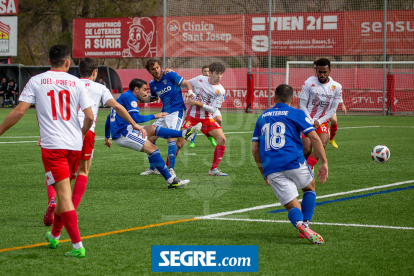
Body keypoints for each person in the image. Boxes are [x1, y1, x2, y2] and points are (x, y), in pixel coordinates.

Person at [0, 45, 95, 258]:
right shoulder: (77, 83)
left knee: (63, 196)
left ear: (49, 60)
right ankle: (54, 236)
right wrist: (80, 134)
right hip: (74, 146)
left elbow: (20, 110)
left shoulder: (36, 81)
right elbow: (89, 117)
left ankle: (77, 246)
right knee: (65, 194)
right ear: (68, 62)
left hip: (53, 147)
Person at [42, 58, 146, 227]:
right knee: (83, 172)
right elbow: (118, 108)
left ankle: (54, 200)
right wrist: (134, 124)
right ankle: (70, 210)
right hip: (86, 132)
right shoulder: (99, 87)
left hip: (63, 132)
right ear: (95, 72)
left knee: (60, 172)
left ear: (78, 70)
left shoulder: (70, 82)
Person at [252, 84, 328, 244]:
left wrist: (263, 172)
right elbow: (314, 138)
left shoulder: (262, 117)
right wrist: (324, 162)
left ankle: (300, 225)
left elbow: (255, 149)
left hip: (272, 168)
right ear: (293, 99)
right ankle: (305, 224)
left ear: (274, 98)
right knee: (310, 187)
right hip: (294, 162)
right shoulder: (296, 113)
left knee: (293, 207)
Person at [105, 78, 201, 188]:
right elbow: (136, 118)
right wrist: (155, 115)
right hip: (123, 134)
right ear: (136, 89)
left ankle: (183, 134)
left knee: (154, 128)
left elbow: (109, 117)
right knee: (153, 149)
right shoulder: (131, 98)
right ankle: (171, 180)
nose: (146, 93)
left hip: (125, 129)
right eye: (144, 90)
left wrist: (107, 136)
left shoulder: (123, 97)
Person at [139, 58, 193, 177]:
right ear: (149, 71)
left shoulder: (170, 75)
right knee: (149, 138)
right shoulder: (152, 84)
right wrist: (141, 99)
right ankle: (153, 168)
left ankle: (171, 169)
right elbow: (153, 98)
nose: (156, 70)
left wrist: (190, 92)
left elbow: (187, 83)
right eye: (153, 69)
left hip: (177, 111)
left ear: (160, 66)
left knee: (170, 137)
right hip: (165, 113)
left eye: (158, 67)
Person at [175, 62, 228, 176]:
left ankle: (213, 169)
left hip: (207, 119)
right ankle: (168, 167)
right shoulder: (200, 79)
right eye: (216, 73)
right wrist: (174, 78)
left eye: (221, 74)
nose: (219, 76)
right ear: (210, 73)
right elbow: (186, 83)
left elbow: (213, 109)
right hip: (192, 117)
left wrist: (198, 103)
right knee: (179, 144)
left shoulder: (221, 90)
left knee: (222, 140)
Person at [300, 58, 342, 170]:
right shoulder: (308, 83)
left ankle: (308, 168)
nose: (322, 74)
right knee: (307, 150)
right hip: (307, 120)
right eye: (320, 72)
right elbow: (302, 105)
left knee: (322, 143)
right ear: (316, 71)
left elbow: (333, 110)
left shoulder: (336, 87)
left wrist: (320, 121)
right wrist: (311, 120)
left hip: (322, 121)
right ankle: (303, 165)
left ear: (330, 71)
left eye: (325, 72)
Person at [311, 61, 346, 149]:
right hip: (315, 108)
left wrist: (342, 104)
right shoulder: (311, 81)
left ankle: (331, 139)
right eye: (315, 69)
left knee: (334, 120)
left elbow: (335, 93)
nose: (318, 71)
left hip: (327, 106)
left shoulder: (330, 82)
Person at [188, 64, 221, 148]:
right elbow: (187, 83)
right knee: (197, 123)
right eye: (205, 71)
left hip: (211, 106)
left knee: (219, 119)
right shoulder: (199, 80)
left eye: (207, 71)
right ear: (202, 72)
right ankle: (193, 141)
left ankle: (211, 135)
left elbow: (220, 97)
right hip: (199, 107)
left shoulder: (217, 84)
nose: (206, 73)